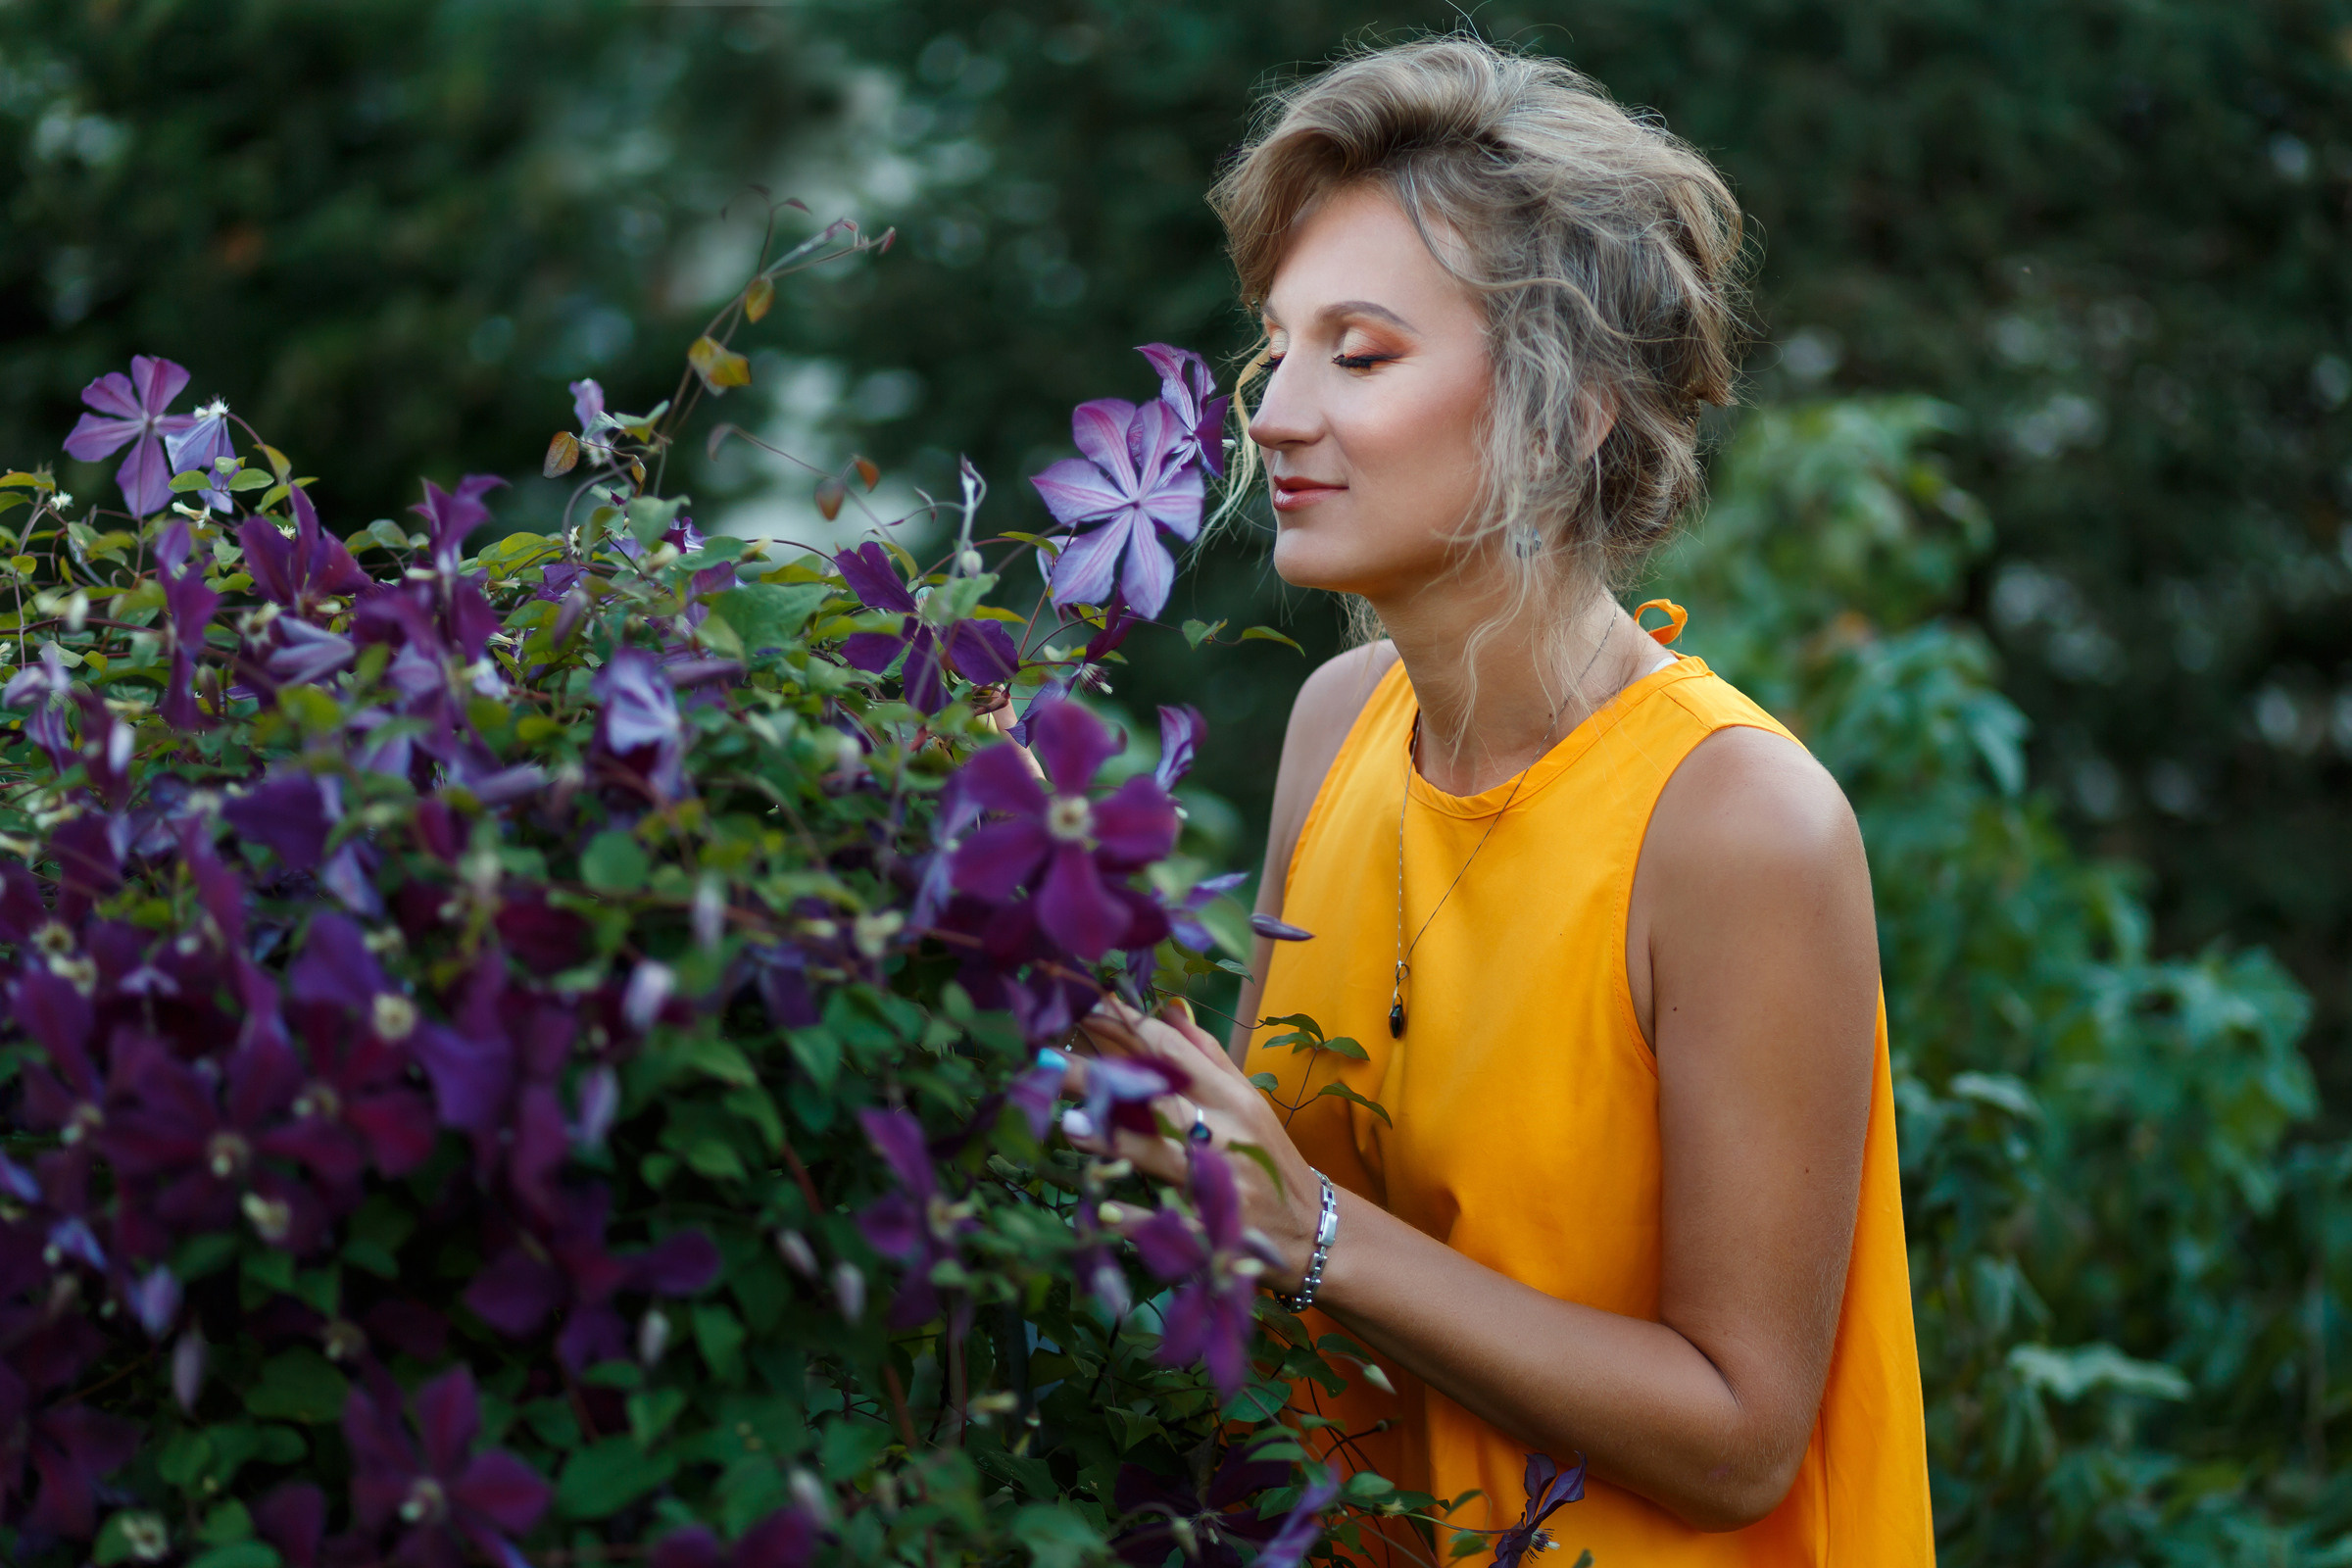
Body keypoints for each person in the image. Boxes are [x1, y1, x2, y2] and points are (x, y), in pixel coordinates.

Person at [1068, 35, 1934, 1566]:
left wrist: (1314, 1235)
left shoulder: (1737, 824)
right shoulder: (1339, 727)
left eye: (1363, 351)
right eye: (1278, 347)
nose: (1271, 414)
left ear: (1578, 404)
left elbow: (1739, 1439)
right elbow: (1265, 1218)